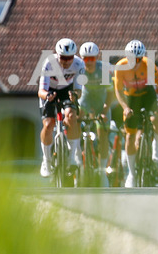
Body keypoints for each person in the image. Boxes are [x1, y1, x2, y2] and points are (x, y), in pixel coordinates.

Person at [113, 39, 158, 188]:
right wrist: (125, 108)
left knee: (155, 119)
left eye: (137, 59)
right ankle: (132, 174)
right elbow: (118, 90)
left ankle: (157, 144)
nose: (134, 62)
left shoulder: (148, 64)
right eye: (131, 59)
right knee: (130, 136)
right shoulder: (120, 67)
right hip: (131, 99)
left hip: (147, 95)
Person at [38, 38, 86, 178]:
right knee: (48, 124)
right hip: (49, 91)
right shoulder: (48, 63)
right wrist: (48, 96)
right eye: (63, 58)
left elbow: (79, 90)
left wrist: (74, 95)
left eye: (69, 58)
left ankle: (72, 157)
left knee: (71, 116)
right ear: (57, 55)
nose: (66, 61)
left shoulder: (79, 64)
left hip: (67, 90)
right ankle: (46, 161)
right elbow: (41, 91)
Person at [77, 41, 113, 187]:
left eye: (92, 58)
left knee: (103, 131)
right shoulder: (79, 69)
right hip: (85, 99)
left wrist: (104, 111)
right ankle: (77, 156)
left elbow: (110, 93)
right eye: (86, 58)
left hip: (101, 102)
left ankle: (102, 172)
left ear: (97, 58)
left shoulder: (103, 69)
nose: (89, 62)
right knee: (76, 118)